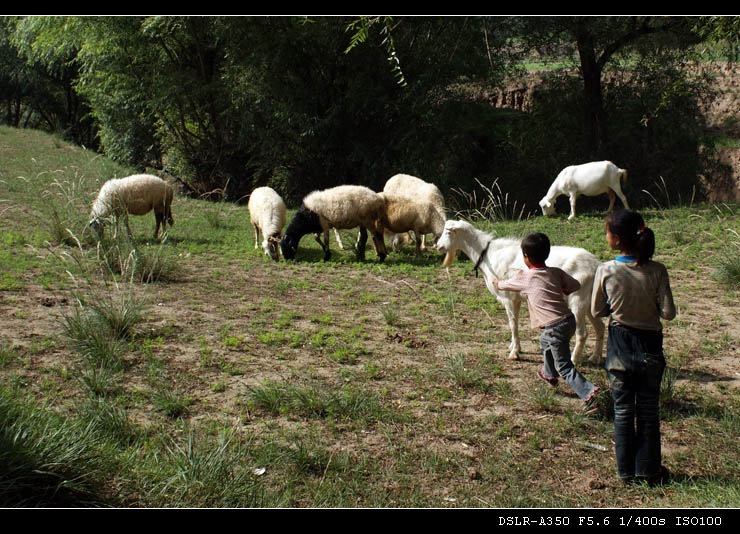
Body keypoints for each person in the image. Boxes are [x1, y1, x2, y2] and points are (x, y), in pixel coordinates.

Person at [591, 209, 676, 486]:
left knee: (623, 410)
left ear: (615, 239)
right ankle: (649, 470)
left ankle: (625, 472)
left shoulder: (606, 270)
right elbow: (668, 313)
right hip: (651, 347)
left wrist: (615, 307)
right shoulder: (657, 270)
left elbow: (596, 310)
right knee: (649, 411)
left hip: (619, 351)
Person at [494, 232, 600, 410]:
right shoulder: (557, 272)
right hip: (568, 321)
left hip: (554, 326)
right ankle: (549, 373)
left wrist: (497, 283)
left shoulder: (525, 277)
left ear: (526, 257)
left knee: (564, 365)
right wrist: (564, 290)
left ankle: (588, 392)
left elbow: (505, 285)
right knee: (544, 341)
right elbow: (575, 285)